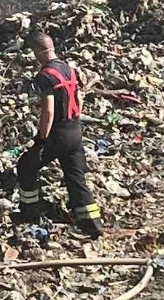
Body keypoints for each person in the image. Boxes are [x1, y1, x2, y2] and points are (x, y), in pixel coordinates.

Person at [16, 31, 103, 239]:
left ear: (38, 52)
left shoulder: (45, 75)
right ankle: (92, 224)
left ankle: (30, 213)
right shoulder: (68, 69)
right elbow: (79, 99)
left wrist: (41, 141)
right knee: (75, 177)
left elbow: (49, 111)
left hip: (59, 132)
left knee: (26, 165)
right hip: (75, 130)